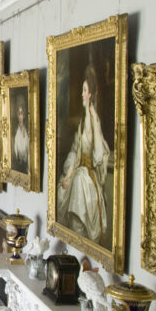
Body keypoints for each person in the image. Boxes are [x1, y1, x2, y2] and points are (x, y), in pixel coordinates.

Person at [56, 65, 111, 245]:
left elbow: (97, 155)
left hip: (88, 177)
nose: (81, 94)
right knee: (62, 189)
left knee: (78, 184)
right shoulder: (82, 121)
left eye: (84, 90)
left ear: (91, 94)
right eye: (81, 90)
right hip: (79, 171)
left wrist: (77, 172)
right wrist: (68, 175)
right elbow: (76, 152)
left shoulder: (94, 120)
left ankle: (79, 239)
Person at [12, 99, 29, 172]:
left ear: (24, 114)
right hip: (19, 165)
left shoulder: (27, 130)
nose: (20, 116)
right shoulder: (16, 131)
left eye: (22, 113)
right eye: (19, 114)